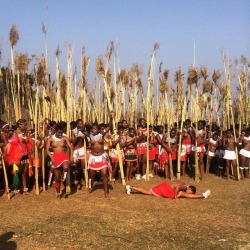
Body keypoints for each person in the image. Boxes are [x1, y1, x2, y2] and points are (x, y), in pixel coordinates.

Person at [46, 122, 73, 198]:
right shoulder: (50, 139)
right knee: (57, 177)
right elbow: (47, 149)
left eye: (61, 133)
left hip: (63, 156)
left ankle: (63, 178)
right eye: (59, 133)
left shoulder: (65, 138)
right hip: (55, 157)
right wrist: (52, 158)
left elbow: (70, 147)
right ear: (55, 131)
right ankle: (58, 193)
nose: (60, 134)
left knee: (65, 167)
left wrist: (72, 157)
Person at [125, 180, 211, 199]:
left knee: (147, 191)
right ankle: (131, 187)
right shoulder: (184, 187)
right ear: (189, 188)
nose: (190, 192)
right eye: (191, 191)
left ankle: (131, 189)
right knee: (147, 191)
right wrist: (176, 197)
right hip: (167, 190)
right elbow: (177, 187)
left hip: (166, 188)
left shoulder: (184, 185)